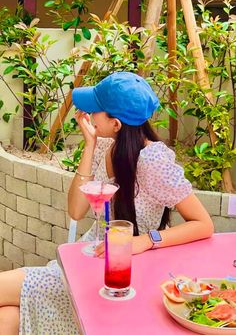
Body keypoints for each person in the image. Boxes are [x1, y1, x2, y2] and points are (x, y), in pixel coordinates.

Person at [0, 71, 214, 334]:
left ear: (116, 124)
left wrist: (145, 241)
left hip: (121, 275)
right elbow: (76, 211)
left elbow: (203, 224)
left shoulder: (152, 160)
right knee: (6, 319)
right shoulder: (106, 146)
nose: (87, 114)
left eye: (96, 110)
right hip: (87, 259)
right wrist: (89, 145)